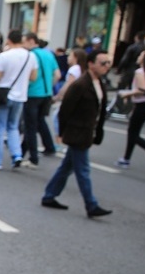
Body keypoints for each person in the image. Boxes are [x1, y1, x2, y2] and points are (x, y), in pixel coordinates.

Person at [42, 50, 113, 218]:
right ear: (90, 64)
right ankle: (91, 204)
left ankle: (49, 195)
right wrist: (61, 132)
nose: (107, 66)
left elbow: (100, 111)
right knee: (83, 170)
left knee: (67, 167)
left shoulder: (99, 83)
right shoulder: (81, 85)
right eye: (103, 63)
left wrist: (98, 130)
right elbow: (65, 110)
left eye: (108, 63)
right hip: (77, 133)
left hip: (87, 132)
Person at [0, 30, 36, 170]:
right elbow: (33, 77)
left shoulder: (4, 56)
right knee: (13, 126)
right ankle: (17, 154)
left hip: (4, 94)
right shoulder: (30, 56)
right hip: (21, 95)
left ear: (9, 40)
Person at [22, 33, 61, 167]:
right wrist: (49, 86)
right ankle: (49, 146)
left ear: (31, 41)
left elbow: (30, 76)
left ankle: (33, 158)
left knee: (30, 126)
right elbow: (57, 75)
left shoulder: (31, 55)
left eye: (24, 42)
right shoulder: (49, 54)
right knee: (40, 121)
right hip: (46, 94)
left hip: (32, 93)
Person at [117, 48, 145, 167]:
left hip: (143, 104)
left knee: (133, 133)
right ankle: (126, 158)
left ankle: (127, 158)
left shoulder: (140, 72)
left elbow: (141, 90)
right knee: (133, 131)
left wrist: (127, 93)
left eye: (141, 55)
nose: (139, 56)